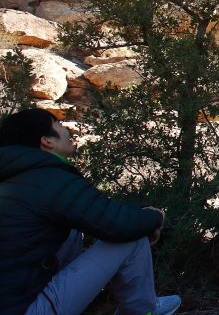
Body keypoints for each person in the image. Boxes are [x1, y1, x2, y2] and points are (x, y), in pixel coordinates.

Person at [0, 108, 181, 315]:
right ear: (47, 141)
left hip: (15, 297)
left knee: (70, 230)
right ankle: (144, 310)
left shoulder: (14, 174)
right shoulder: (48, 179)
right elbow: (121, 224)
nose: (66, 129)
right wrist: (155, 216)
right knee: (133, 238)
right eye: (58, 124)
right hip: (24, 309)